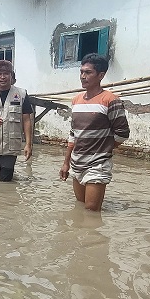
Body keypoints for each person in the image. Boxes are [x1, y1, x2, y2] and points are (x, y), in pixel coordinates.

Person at [59, 53, 130, 211]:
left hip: (98, 164)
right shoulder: (76, 100)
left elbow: (123, 133)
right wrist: (66, 163)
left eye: (88, 72)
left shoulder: (110, 100)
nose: (83, 76)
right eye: (81, 72)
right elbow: (73, 134)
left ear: (101, 75)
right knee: (80, 206)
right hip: (76, 163)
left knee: (91, 211)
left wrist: (104, 149)